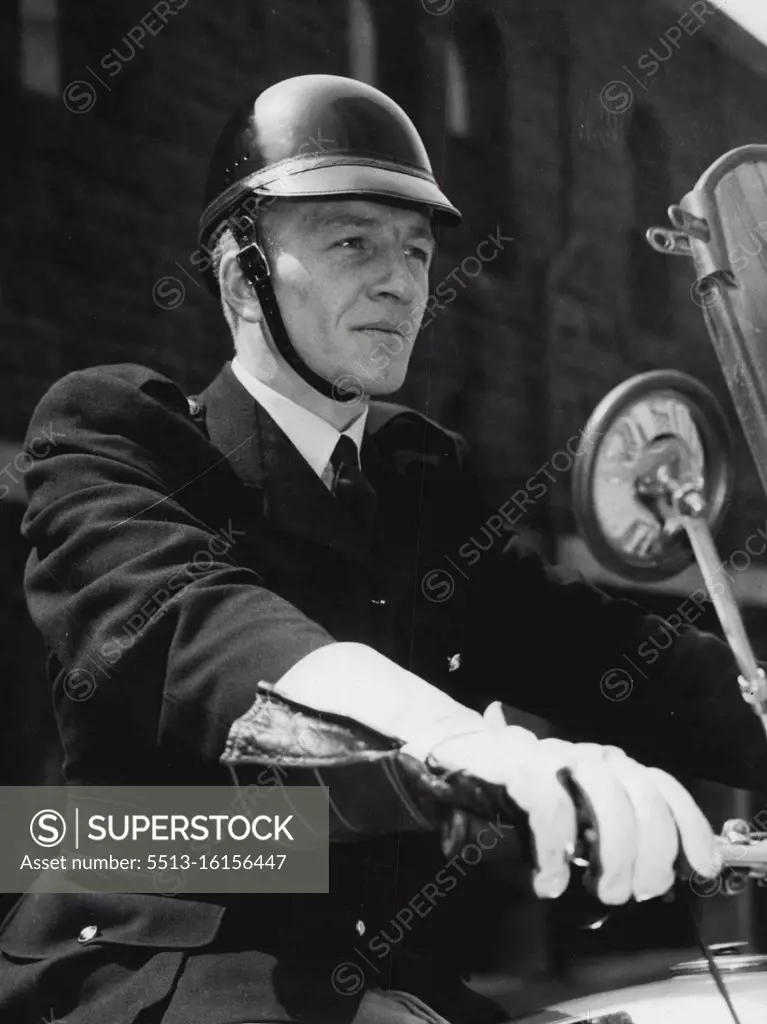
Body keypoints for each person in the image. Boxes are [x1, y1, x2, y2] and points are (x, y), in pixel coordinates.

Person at [1, 73, 766, 1024]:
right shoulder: (118, 438)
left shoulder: (414, 484)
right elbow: (201, 626)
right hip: (165, 959)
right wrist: (463, 743)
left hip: (386, 979)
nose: (402, 279)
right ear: (242, 276)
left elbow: (588, 644)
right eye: (353, 242)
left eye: (413, 249)